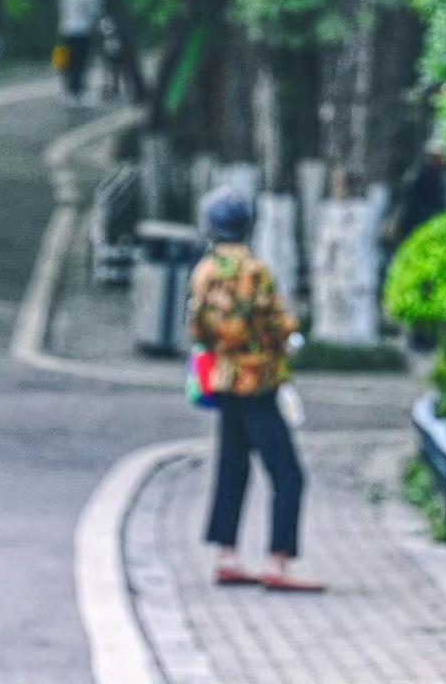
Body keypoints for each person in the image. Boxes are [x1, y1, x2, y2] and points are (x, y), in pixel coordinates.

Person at [189, 188, 322, 593]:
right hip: (259, 382)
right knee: (288, 474)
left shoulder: (205, 271)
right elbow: (279, 323)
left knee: (232, 468)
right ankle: (278, 561)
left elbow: (197, 328)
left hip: (223, 380)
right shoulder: (255, 271)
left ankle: (227, 555)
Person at [55, 0, 103, 103]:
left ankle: (68, 90)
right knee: (81, 62)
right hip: (83, 30)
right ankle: (78, 92)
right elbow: (94, 11)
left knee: (68, 62)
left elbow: (61, 8)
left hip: (66, 29)